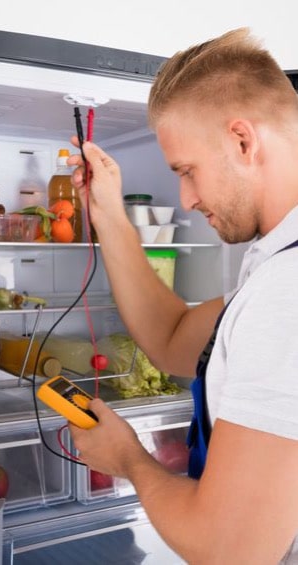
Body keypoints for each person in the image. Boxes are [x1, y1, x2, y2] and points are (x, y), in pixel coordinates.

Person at [67, 27, 298, 564]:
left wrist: (128, 458)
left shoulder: (286, 292)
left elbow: (229, 550)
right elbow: (175, 341)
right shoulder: (275, 270)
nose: (187, 199)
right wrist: (109, 214)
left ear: (243, 140)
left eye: (187, 171)